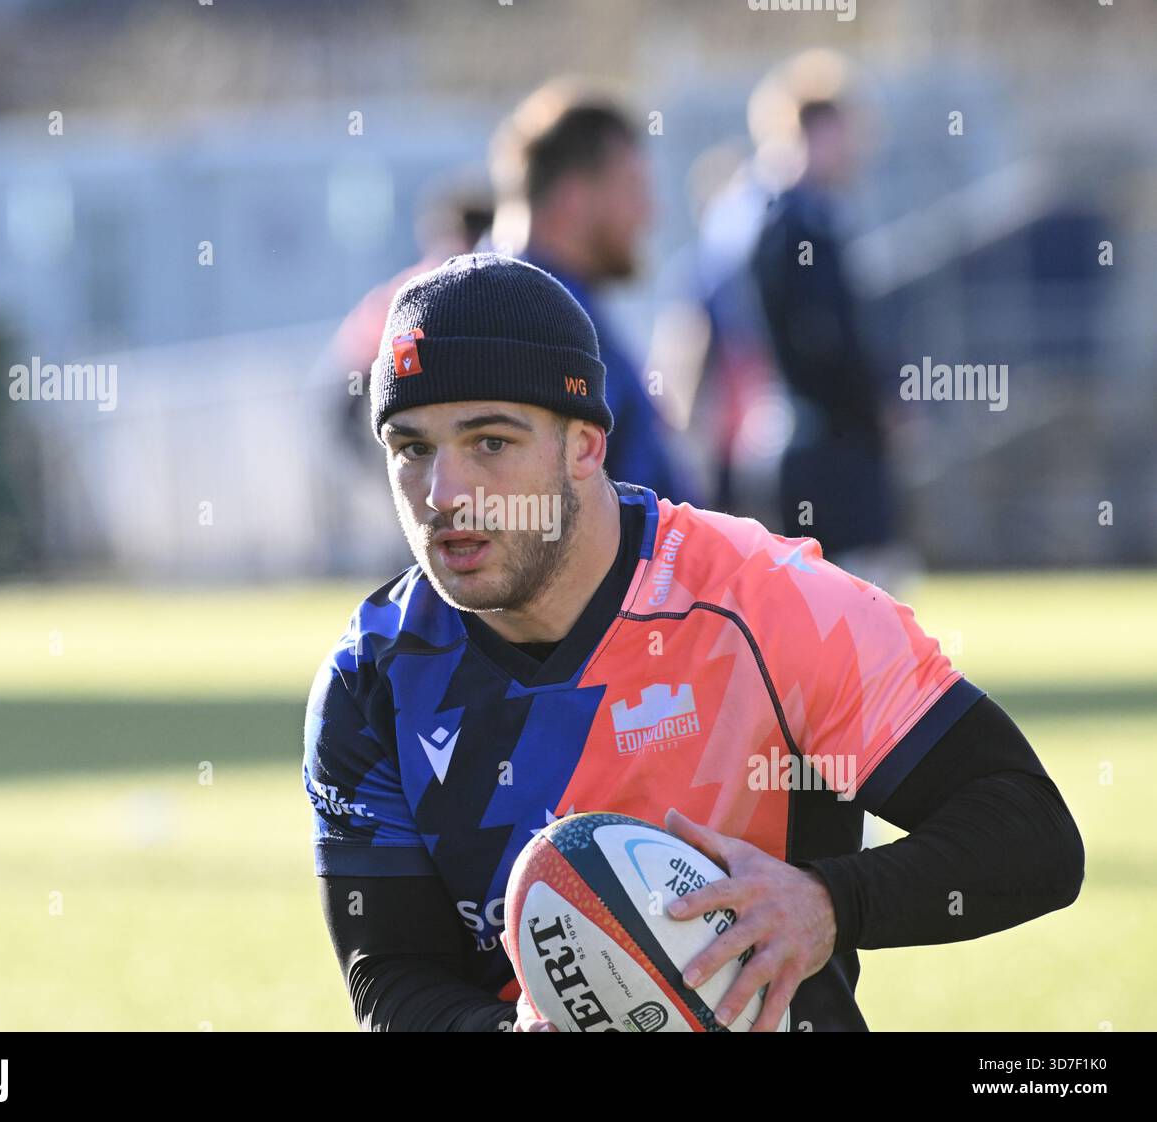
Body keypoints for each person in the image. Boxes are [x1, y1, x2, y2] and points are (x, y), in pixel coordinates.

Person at [304, 253, 1083, 1032]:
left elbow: (1031, 834)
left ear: (584, 446)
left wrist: (827, 902)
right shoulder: (370, 681)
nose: (444, 494)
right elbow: (392, 974)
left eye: (491, 443)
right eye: (412, 449)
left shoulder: (770, 602)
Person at [489, 82, 697, 505]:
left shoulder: (560, 298)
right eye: (633, 188)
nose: (649, 212)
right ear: (574, 198)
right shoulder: (520, 314)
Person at [751, 94, 903, 586]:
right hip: (827, 442)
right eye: (841, 135)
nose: (853, 150)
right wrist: (874, 409)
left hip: (829, 435)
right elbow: (821, 343)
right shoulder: (795, 226)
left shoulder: (809, 220)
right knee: (854, 596)